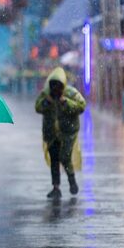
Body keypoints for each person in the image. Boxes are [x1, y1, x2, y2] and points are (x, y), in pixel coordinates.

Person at [35, 67, 86, 199]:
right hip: (51, 133)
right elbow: (38, 107)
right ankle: (56, 187)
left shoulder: (71, 93)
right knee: (54, 159)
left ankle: (72, 180)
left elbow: (81, 106)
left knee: (65, 156)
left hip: (68, 132)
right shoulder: (46, 94)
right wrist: (47, 102)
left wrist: (66, 103)